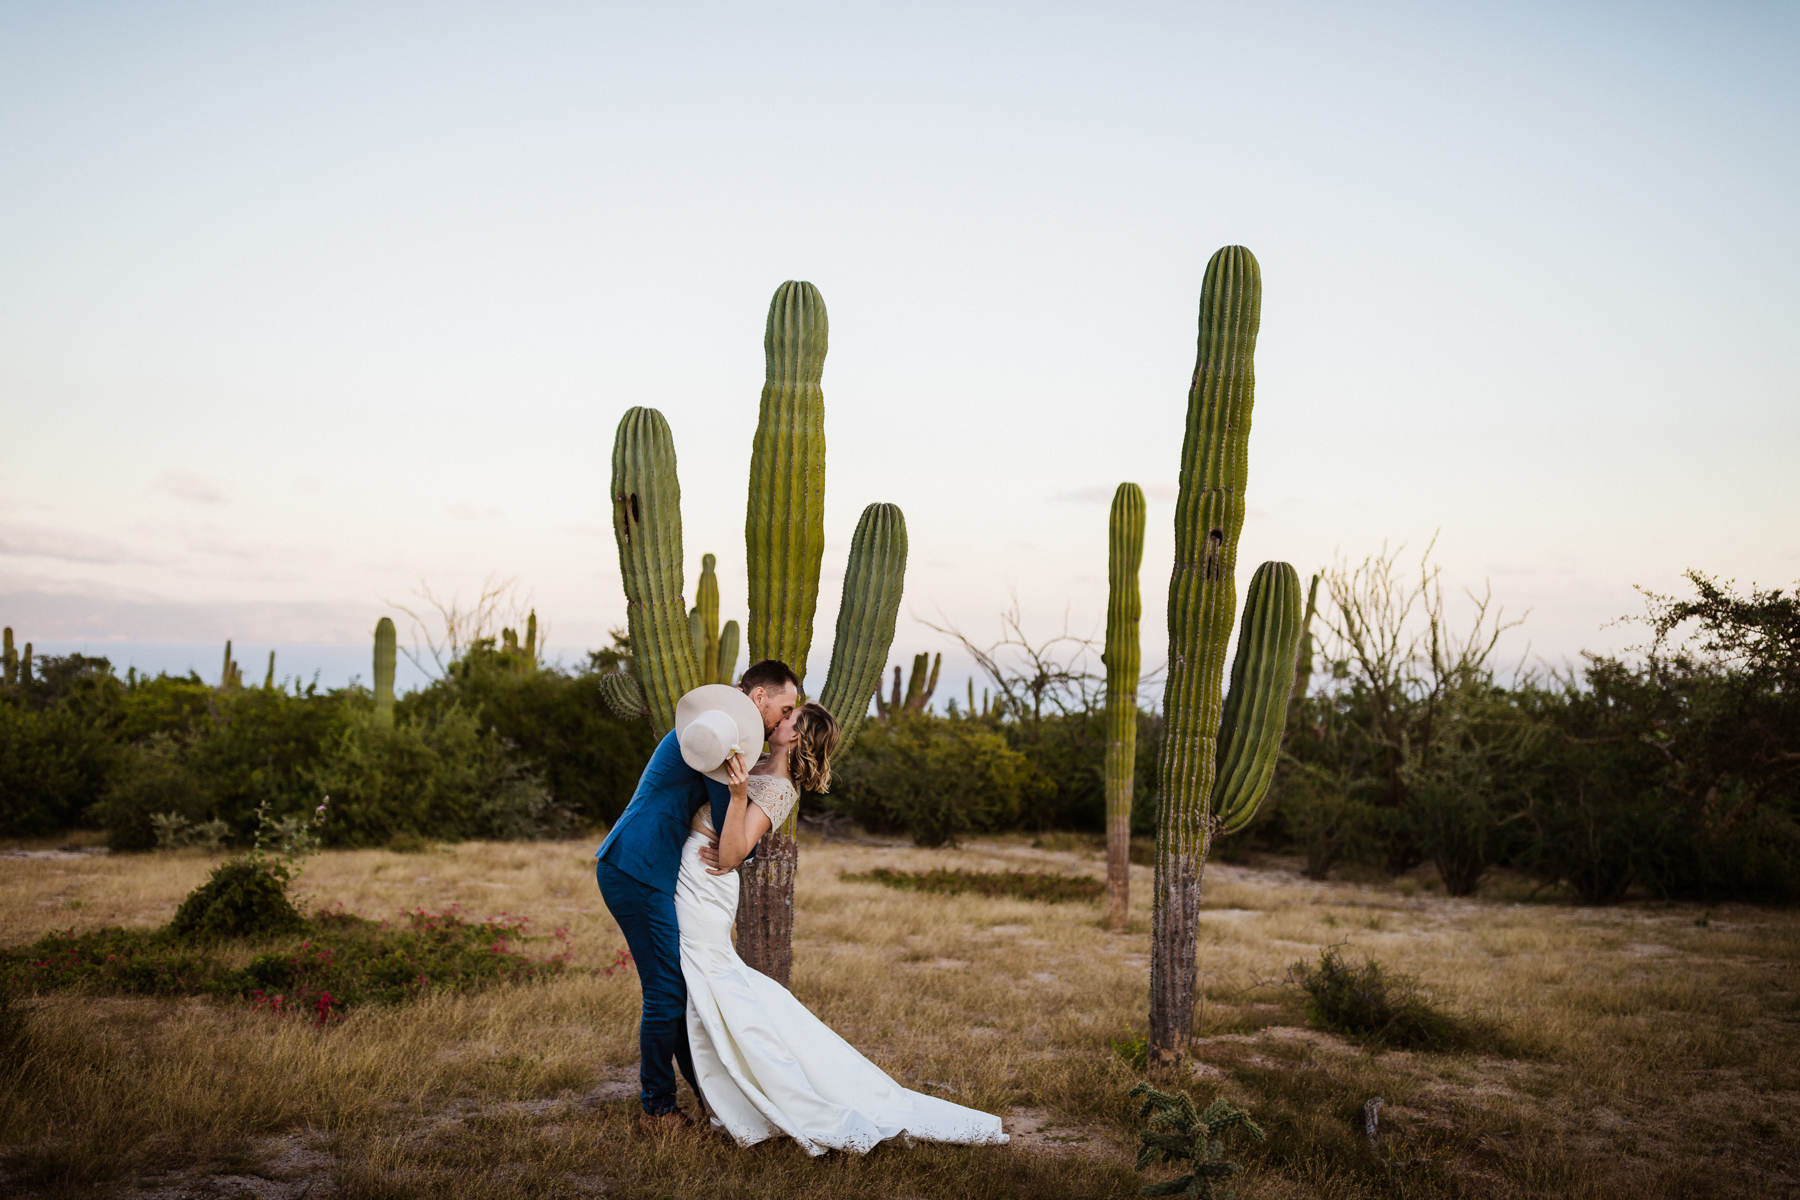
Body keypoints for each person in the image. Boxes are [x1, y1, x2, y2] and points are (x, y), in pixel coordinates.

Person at [680, 701, 1009, 1155]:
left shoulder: (779, 788)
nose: (780, 719)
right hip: (694, 871)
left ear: (794, 736)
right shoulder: (755, 761)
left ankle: (776, 1088)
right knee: (711, 985)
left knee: (711, 980)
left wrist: (737, 799)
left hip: (707, 884)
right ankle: (746, 1084)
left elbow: (734, 853)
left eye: (789, 717)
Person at [595, 660, 800, 1136]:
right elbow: (732, 837)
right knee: (666, 993)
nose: (782, 718)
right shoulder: (717, 735)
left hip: (645, 865)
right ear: (759, 699)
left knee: (682, 991)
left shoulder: (716, 729)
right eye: (784, 707)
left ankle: (706, 1097)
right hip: (638, 867)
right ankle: (657, 1110)